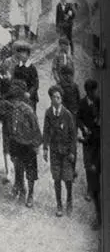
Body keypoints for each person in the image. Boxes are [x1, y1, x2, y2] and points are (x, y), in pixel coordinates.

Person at [0, 80, 42, 207]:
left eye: (15, 99)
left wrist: (37, 145)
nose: (13, 102)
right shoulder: (9, 107)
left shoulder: (28, 111)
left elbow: (36, 129)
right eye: (12, 100)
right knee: (18, 168)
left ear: (20, 98)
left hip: (28, 145)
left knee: (31, 172)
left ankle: (31, 194)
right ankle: (21, 188)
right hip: (16, 144)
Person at [42, 85, 77, 217]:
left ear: (61, 99)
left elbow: (73, 136)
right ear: (51, 99)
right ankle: (59, 205)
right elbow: (45, 131)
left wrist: (72, 152)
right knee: (56, 179)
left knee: (67, 178)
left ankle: (69, 199)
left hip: (67, 153)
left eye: (59, 97)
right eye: (54, 97)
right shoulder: (48, 113)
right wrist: (45, 148)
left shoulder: (67, 115)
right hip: (55, 152)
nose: (57, 99)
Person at [77, 79, 101, 228]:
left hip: (97, 139)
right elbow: (78, 118)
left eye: (95, 91)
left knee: (96, 164)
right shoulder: (82, 103)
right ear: (87, 92)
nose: (94, 94)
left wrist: (98, 120)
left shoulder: (99, 100)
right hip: (87, 139)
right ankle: (89, 188)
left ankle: (94, 187)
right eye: (92, 91)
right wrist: (84, 127)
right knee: (87, 164)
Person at [12, 40, 39, 110]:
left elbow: (35, 84)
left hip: (30, 97)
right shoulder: (17, 67)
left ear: (28, 55)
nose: (22, 55)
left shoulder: (32, 68)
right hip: (20, 97)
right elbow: (14, 81)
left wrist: (29, 93)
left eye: (24, 53)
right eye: (20, 53)